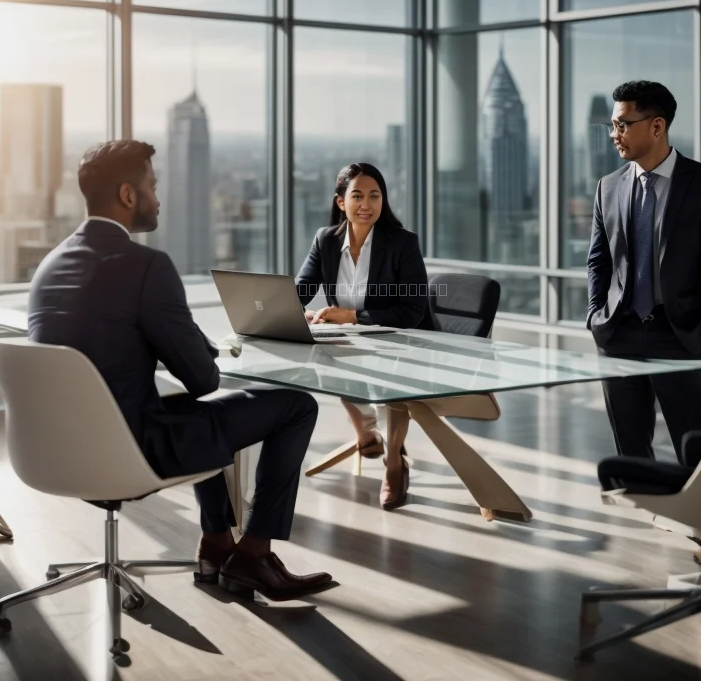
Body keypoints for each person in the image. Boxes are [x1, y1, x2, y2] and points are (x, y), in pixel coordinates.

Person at [27, 140, 332, 601]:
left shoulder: (48, 266)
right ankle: (253, 555)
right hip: (131, 451)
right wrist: (188, 343)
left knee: (187, 408)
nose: (158, 196)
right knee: (297, 406)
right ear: (129, 195)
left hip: (54, 452)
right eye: (153, 184)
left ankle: (215, 542)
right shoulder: (146, 265)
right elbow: (204, 379)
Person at [587, 80, 701, 461]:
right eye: (611, 125)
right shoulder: (608, 187)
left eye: (622, 124)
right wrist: (596, 316)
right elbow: (598, 261)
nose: (614, 135)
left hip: (682, 337)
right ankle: (642, 515)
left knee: (696, 453)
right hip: (619, 334)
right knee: (631, 453)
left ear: (657, 126)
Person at [295, 162, 428, 509]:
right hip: (350, 345)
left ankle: (395, 462)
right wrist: (301, 313)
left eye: (375, 195)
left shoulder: (402, 244)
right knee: (328, 361)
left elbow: (413, 311)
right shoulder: (325, 241)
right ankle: (368, 436)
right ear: (341, 202)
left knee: (391, 387)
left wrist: (353, 316)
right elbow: (299, 291)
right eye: (357, 196)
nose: (366, 204)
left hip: (400, 343)